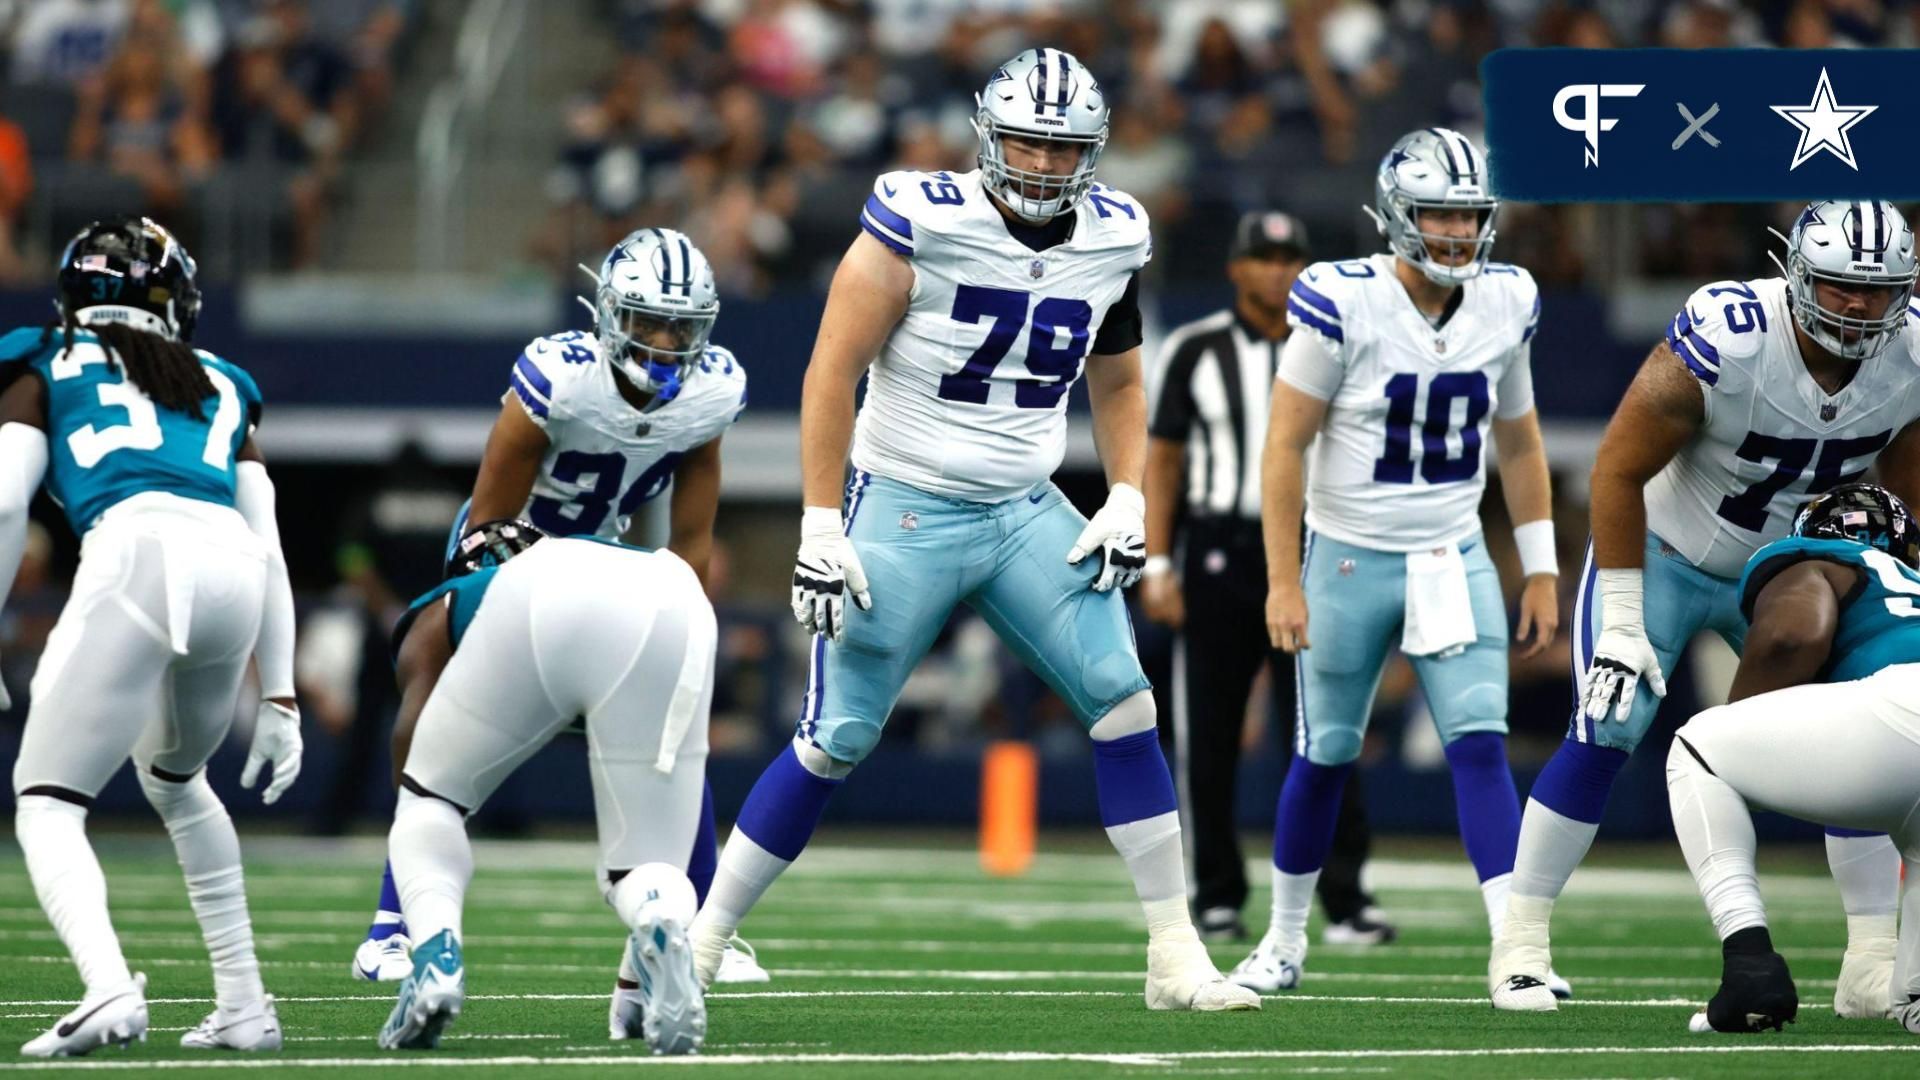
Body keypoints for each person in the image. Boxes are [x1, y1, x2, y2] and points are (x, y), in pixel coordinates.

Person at [689, 47, 1259, 1013]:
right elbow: (831, 370)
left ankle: (1174, 953)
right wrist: (820, 520)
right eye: (1028, 143)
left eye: (1062, 147)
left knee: (1126, 700)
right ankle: (701, 943)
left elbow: (1118, 379)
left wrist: (1128, 496)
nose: (1042, 164)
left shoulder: (1115, 235)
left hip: (1024, 506)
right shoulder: (921, 218)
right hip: (906, 500)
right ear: (990, 139)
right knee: (838, 737)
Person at [1492, 200, 1920, 1013]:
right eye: (1839, 286)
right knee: (1609, 716)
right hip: (1668, 549)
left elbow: (1907, 478)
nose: (1860, 307)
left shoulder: (1914, 351)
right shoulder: (1731, 334)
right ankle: (1519, 943)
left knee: (1853, 732)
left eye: (1879, 289)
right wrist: (1621, 620)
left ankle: (1870, 958)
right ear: (1795, 275)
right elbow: (1615, 470)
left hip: (1799, 572)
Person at [350, 226, 767, 992]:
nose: (666, 341)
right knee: (428, 686)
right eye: (647, 321)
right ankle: (394, 921)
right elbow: (487, 514)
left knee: (676, 733)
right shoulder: (559, 376)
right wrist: (481, 581)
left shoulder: (711, 391)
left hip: (604, 566)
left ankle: (702, 921)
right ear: (608, 315)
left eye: (682, 325)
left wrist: (681, 627)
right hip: (507, 547)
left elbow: (692, 541)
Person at [1232, 129, 1561, 995]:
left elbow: (1521, 444)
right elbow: (1283, 447)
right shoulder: (1344, 300)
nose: (1455, 231)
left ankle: (1518, 952)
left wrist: (1541, 566)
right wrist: (1281, 578)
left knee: (1480, 747)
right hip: (1347, 557)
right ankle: (1285, 939)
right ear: (1395, 216)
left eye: (1468, 212)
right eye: (1437, 212)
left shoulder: (1507, 299)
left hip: (1452, 554)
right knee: (1325, 754)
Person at [0, 217, 300, 1056]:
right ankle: (244, 1005)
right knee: (176, 778)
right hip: (233, 573)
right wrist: (278, 694)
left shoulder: (40, 360)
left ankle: (106, 989)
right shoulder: (225, 382)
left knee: (48, 802)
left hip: (136, 554)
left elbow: (0, 503)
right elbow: (269, 544)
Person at [1143, 209, 1392, 945]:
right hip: (1219, 551)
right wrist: (1157, 561)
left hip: (1318, 550)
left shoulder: (1340, 343)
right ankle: (1216, 893)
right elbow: (1163, 460)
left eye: (1292, 257)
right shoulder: (1196, 349)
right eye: (1266, 257)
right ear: (1237, 268)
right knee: (1208, 733)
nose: (1280, 270)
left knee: (1327, 730)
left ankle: (1346, 895)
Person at [376, 524, 712, 1055]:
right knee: (647, 869)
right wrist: (631, 988)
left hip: (537, 599)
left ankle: (437, 955)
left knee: (428, 800)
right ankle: (656, 912)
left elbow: (408, 739)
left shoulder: (456, 597)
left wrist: (418, 809)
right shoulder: (622, 562)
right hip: (676, 598)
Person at [1667, 483, 1920, 1034]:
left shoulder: (1820, 559)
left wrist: (1741, 745)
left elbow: (1791, 634)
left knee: (1697, 749)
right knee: (1913, 997)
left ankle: (1750, 968)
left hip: (1904, 712)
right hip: (1902, 741)